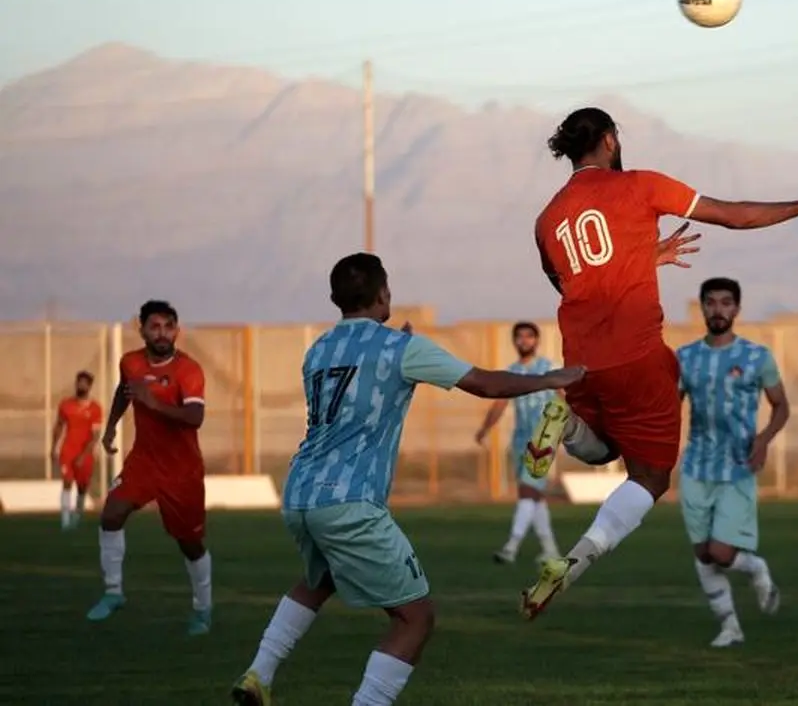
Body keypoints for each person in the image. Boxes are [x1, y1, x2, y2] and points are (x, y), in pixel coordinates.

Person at [519, 106, 798, 621]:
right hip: (639, 358)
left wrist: (639, 259)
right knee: (650, 479)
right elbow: (734, 215)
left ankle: (566, 423)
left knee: (605, 449)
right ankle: (576, 560)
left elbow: (570, 284)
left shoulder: (547, 220)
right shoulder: (641, 185)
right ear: (608, 140)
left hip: (580, 360)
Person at [231, 253, 584, 706]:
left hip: (300, 493)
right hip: (351, 500)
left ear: (336, 298)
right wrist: (552, 378)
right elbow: (483, 383)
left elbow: (358, 379)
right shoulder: (402, 349)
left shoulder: (317, 349)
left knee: (318, 580)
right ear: (384, 295)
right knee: (415, 618)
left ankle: (258, 674)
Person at [87, 300, 212, 637]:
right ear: (140, 328)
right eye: (154, 326)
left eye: (168, 326)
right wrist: (112, 426)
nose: (162, 333)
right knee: (110, 515)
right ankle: (114, 592)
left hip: (182, 471)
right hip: (143, 461)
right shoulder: (130, 362)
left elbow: (195, 418)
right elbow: (124, 391)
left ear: (177, 331)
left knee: (191, 543)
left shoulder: (189, 370)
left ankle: (203, 610)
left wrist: (154, 403)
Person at [677, 277, 788, 647]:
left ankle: (756, 569)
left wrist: (763, 439)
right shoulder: (685, 358)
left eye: (726, 303)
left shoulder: (757, 357)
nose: (718, 310)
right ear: (702, 307)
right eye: (711, 303)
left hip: (737, 465)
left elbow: (781, 406)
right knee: (702, 556)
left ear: (737, 309)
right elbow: (667, 408)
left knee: (721, 553)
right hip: (695, 466)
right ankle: (730, 628)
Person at [474, 321, 561, 565]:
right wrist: (484, 428)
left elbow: (566, 398)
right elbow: (500, 403)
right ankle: (550, 549)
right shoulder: (512, 372)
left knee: (526, 491)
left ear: (537, 340)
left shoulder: (548, 369)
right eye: (520, 336)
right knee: (535, 496)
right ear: (514, 341)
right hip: (520, 438)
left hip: (543, 438)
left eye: (529, 336)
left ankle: (511, 546)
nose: (524, 341)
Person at [51, 370, 102, 530]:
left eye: (84, 383)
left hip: (85, 453)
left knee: (82, 486)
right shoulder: (66, 405)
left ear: (89, 386)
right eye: (79, 382)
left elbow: (95, 436)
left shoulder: (95, 408)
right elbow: (59, 426)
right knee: (66, 482)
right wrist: (54, 447)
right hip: (68, 450)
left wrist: (83, 455)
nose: (81, 385)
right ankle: (65, 520)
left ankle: (77, 515)